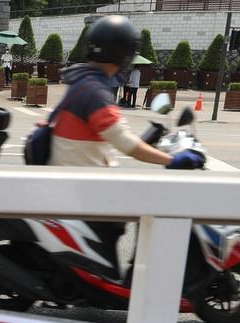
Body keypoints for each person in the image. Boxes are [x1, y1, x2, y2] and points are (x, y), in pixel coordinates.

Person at [38, 15, 204, 277]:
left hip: (76, 177)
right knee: (154, 202)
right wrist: (172, 160)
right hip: (85, 186)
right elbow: (127, 145)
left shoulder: (84, 81)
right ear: (124, 53)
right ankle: (142, 276)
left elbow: (111, 133)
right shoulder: (95, 91)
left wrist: (148, 142)